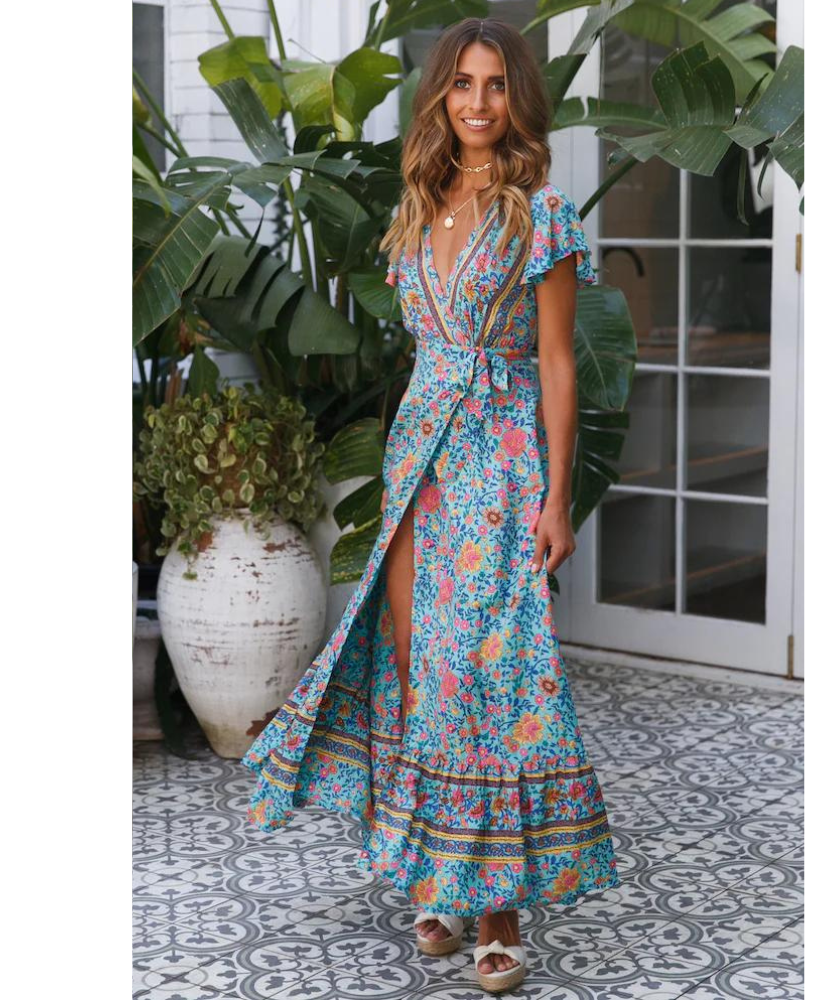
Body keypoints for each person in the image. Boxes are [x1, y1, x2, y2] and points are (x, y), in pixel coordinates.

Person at [241, 16, 619, 994]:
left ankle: (499, 912)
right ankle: (442, 879)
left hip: (500, 457)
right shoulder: (418, 203)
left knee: (488, 672)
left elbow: (558, 363)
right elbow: (421, 350)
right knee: (419, 667)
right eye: (462, 84)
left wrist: (557, 497)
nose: (479, 103)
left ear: (516, 96)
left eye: (495, 85)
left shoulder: (541, 214)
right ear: (440, 96)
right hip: (423, 454)